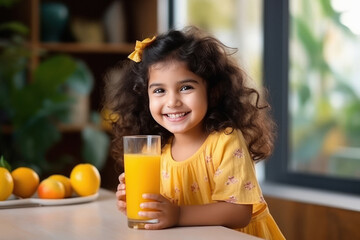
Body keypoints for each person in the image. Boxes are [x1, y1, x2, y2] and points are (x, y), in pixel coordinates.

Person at [104, 26, 285, 239]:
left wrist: (177, 215)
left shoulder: (225, 141)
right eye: (159, 90)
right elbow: (166, 208)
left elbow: (239, 212)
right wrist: (145, 207)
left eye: (185, 87)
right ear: (146, 97)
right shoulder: (157, 150)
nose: (172, 102)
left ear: (213, 92)